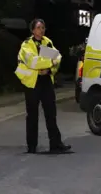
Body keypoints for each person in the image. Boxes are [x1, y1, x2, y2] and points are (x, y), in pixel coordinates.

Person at [15, 19, 71, 154]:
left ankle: (55, 143)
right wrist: (50, 62)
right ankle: (32, 146)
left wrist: (50, 68)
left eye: (43, 27)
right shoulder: (27, 45)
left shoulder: (47, 42)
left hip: (46, 81)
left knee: (51, 114)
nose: (42, 30)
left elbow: (58, 58)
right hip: (32, 83)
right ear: (33, 30)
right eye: (39, 27)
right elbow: (33, 62)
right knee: (32, 115)